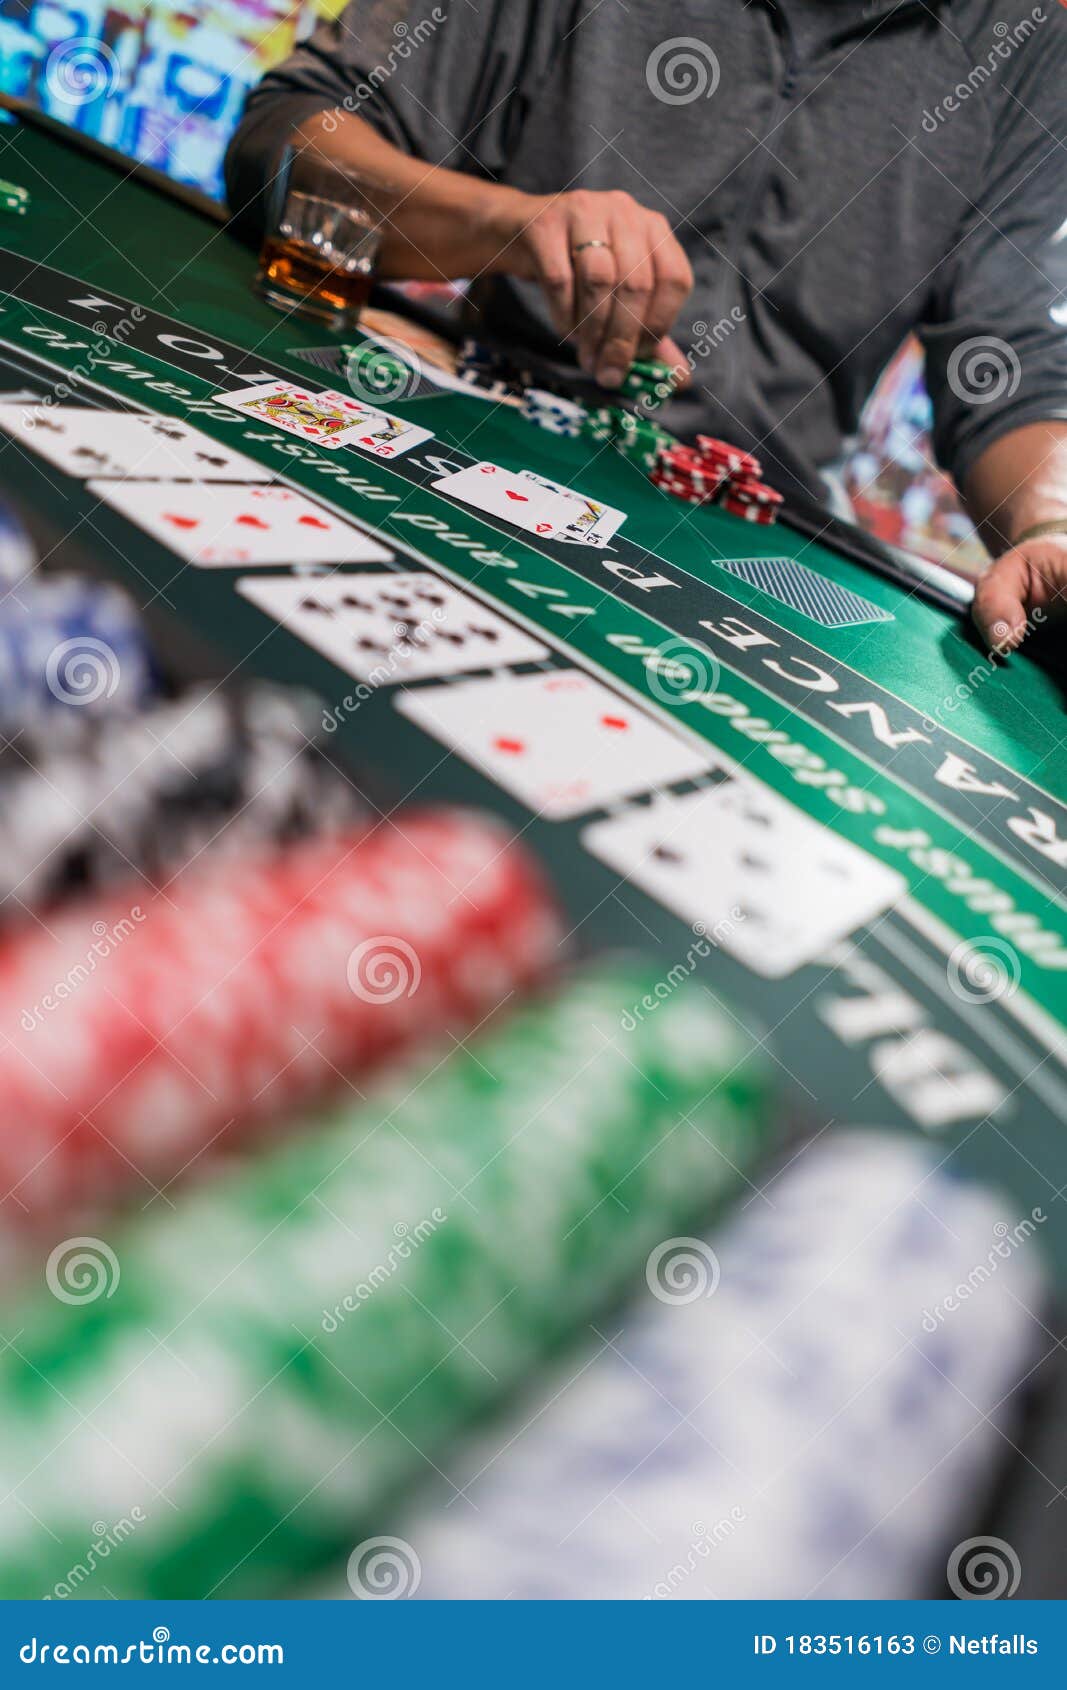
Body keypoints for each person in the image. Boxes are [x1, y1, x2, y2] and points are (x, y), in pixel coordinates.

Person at [225, 0, 1067, 650]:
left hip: (765, 555)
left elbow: (1015, 372)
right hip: (479, 442)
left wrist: (1050, 526)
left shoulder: (1028, 48)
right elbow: (277, 153)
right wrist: (513, 226)